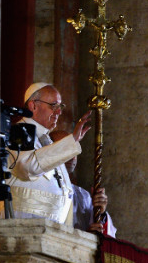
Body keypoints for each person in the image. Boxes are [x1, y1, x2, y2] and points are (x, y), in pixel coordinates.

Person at [6, 82, 91, 225]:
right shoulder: (18, 132)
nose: (59, 112)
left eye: (60, 107)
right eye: (53, 106)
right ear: (33, 106)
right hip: (23, 226)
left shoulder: (48, 141)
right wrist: (71, 141)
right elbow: (27, 167)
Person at [49, 130, 117, 237]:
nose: (73, 156)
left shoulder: (82, 195)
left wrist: (100, 212)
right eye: (66, 149)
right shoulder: (43, 190)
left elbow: (104, 235)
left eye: (75, 149)